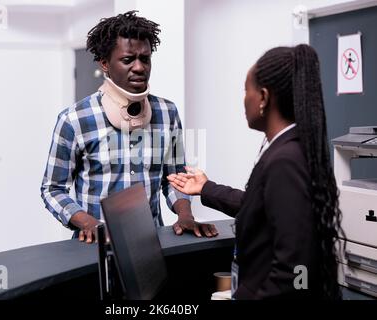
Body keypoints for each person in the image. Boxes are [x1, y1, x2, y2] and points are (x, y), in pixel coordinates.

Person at [168, 44, 344, 299]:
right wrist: (205, 187)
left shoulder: (286, 160)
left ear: (262, 97)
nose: (243, 99)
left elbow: (296, 271)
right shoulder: (286, 149)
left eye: (245, 90)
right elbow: (264, 206)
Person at [41, 11, 218, 243]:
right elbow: (53, 189)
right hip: (94, 247)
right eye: (127, 60)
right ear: (105, 63)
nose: (139, 67)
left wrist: (185, 214)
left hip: (151, 243)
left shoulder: (167, 112)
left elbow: (176, 178)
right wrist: (89, 223)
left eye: (145, 59)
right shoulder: (74, 119)